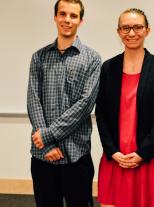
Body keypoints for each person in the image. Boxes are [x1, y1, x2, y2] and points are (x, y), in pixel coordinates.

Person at [95, 8, 154, 207]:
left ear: (147, 30)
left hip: (149, 156)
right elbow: (101, 113)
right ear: (118, 32)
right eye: (125, 28)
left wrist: (142, 153)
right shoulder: (108, 68)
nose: (131, 33)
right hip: (117, 157)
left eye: (137, 27)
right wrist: (112, 151)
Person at [26, 0, 101, 206]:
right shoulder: (39, 57)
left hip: (77, 154)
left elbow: (85, 104)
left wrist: (48, 135)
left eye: (73, 15)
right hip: (43, 155)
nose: (67, 20)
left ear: (81, 20)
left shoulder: (92, 59)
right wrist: (47, 144)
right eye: (63, 14)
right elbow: (33, 100)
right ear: (55, 17)